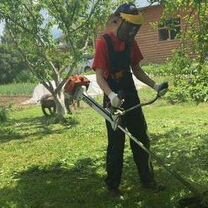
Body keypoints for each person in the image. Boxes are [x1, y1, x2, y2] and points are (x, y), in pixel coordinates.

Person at [92, 3, 168, 198]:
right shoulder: (104, 42)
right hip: (113, 94)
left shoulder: (131, 43)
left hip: (130, 92)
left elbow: (137, 70)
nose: (132, 30)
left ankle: (148, 180)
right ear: (119, 21)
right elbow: (99, 77)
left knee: (141, 137)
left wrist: (155, 85)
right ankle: (112, 187)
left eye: (136, 26)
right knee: (116, 142)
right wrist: (111, 95)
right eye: (130, 25)